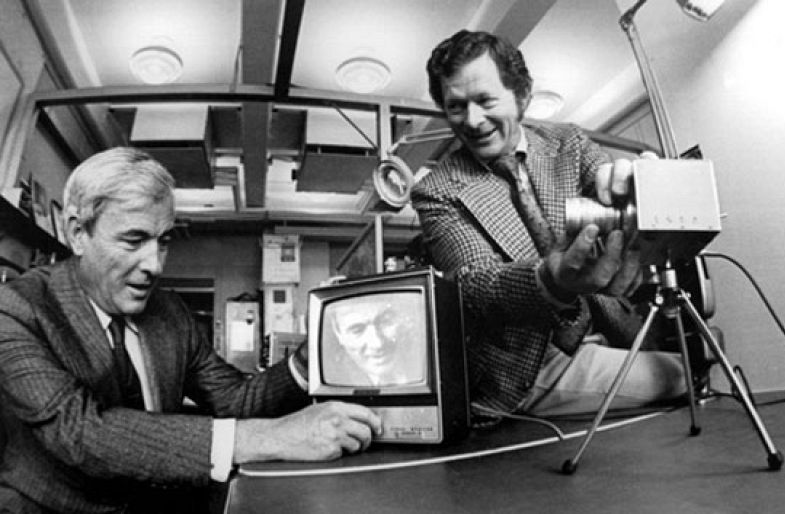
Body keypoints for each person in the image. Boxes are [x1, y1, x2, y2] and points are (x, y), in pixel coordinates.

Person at [0, 147, 382, 513]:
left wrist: (310, 354)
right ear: (77, 233)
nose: (154, 265)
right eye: (134, 240)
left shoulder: (170, 312)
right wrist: (271, 436)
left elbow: (234, 400)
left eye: (163, 241)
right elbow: (80, 431)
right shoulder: (16, 308)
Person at [411, 30, 687, 417]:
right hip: (528, 362)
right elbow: (474, 287)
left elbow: (610, 182)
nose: (472, 121)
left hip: (610, 330)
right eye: (456, 107)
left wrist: (642, 188)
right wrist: (550, 281)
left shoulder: (569, 143)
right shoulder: (436, 190)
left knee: (708, 348)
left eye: (486, 100)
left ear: (521, 95)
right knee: (686, 373)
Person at [325, 293, 426, 387]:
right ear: (337, 332)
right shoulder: (334, 378)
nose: (378, 344)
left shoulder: (421, 360)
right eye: (357, 330)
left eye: (385, 322)